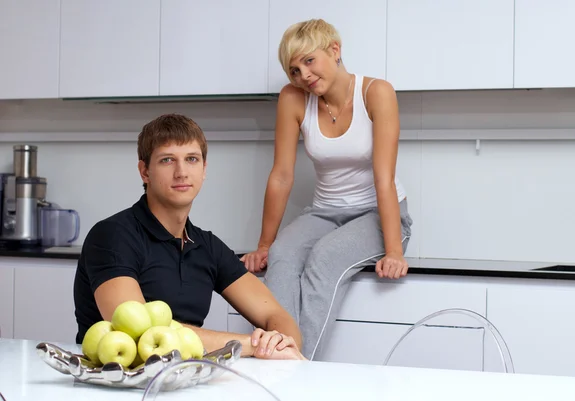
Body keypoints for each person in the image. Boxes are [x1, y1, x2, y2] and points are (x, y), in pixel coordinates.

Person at [241, 19, 413, 361]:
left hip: (376, 213)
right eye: (293, 69)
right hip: (323, 212)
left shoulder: (376, 93)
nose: (302, 75)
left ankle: (300, 370)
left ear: (334, 50)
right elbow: (282, 175)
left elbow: (383, 177)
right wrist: (264, 245)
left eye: (309, 61)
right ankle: (275, 364)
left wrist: (394, 250)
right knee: (282, 255)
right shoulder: (293, 98)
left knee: (325, 257)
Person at [73, 113, 305, 361]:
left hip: (186, 380)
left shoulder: (207, 246)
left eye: (191, 159)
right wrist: (251, 344)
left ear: (204, 169)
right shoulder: (112, 235)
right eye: (167, 160)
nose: (181, 172)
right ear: (145, 172)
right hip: (114, 385)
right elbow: (140, 335)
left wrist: (280, 342)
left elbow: (279, 319)